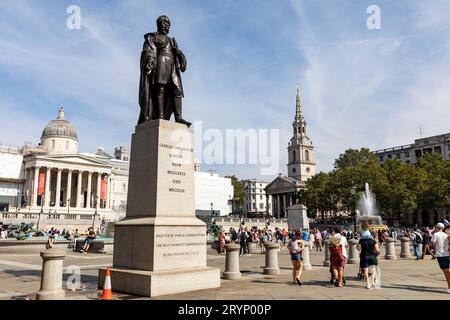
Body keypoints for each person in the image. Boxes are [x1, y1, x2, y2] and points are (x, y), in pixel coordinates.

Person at [357, 221, 381, 289]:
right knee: (373, 269)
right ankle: (373, 282)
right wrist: (377, 252)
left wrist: (359, 246)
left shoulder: (361, 240)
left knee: (365, 270)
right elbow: (377, 250)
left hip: (364, 256)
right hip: (372, 256)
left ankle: (368, 283)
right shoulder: (373, 241)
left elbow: (358, 248)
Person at [429, 223, 450, 294]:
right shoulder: (446, 234)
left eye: (435, 227)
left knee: (446, 272)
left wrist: (427, 246)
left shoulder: (436, 234)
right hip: (447, 254)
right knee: (447, 271)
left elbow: (431, 243)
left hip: (441, 255)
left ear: (437, 227)